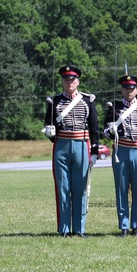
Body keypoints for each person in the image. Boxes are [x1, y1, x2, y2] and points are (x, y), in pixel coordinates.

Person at [44, 65, 100, 237]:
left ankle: (80, 229)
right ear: (62, 81)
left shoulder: (87, 100)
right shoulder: (54, 101)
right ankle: (64, 229)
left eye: (73, 79)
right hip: (61, 144)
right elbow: (48, 124)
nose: (70, 82)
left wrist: (95, 151)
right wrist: (49, 133)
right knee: (62, 187)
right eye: (67, 79)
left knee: (80, 188)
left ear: (78, 81)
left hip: (81, 144)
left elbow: (94, 127)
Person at [104, 74, 137, 236]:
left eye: (132, 88)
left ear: (136, 90)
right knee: (121, 189)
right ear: (122, 89)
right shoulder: (114, 107)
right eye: (126, 88)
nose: (129, 91)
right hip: (121, 151)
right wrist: (111, 131)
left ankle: (136, 226)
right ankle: (124, 226)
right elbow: (105, 132)